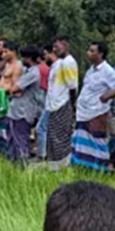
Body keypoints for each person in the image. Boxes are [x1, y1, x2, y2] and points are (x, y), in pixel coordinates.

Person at [72, 42, 115, 172]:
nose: (88, 53)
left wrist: (106, 96)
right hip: (84, 111)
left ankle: (100, 168)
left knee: (96, 140)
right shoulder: (91, 70)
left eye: (92, 51)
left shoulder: (107, 71)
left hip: (96, 112)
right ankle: (83, 166)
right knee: (83, 139)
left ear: (100, 54)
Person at [42, 37, 79, 168]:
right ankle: (53, 164)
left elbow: (72, 86)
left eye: (57, 47)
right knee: (52, 135)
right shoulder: (59, 63)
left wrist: (72, 105)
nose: (54, 50)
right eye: (53, 47)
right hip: (54, 104)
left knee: (60, 136)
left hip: (63, 103)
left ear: (66, 46)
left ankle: (62, 165)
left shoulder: (68, 63)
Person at [4, 46, 43, 164]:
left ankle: (22, 164)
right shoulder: (27, 71)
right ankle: (13, 163)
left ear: (29, 58)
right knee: (12, 139)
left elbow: (14, 88)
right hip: (16, 110)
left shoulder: (33, 73)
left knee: (21, 139)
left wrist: (13, 89)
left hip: (24, 111)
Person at [0, 42, 23, 153]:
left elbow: (15, 86)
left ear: (13, 52)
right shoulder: (7, 64)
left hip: (7, 99)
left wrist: (5, 91)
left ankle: (7, 151)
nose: (3, 54)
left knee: (6, 127)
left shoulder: (17, 66)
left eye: (6, 52)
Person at [34, 45, 54, 160]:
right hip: (46, 95)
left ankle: (41, 153)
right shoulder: (48, 68)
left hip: (41, 95)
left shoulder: (39, 69)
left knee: (41, 127)